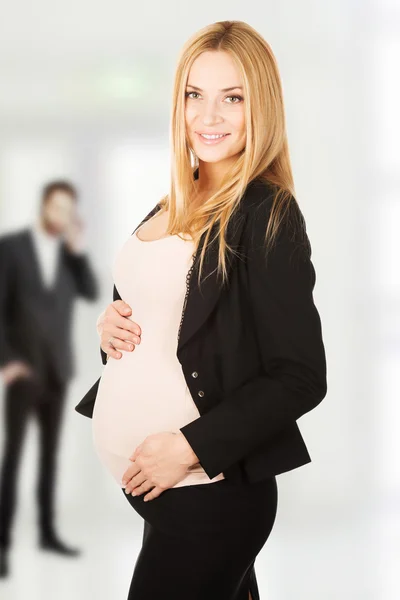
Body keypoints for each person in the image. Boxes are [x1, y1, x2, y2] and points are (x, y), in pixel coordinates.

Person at [74, 20, 327, 600]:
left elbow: (300, 376)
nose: (208, 117)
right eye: (195, 95)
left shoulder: (266, 213)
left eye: (231, 98)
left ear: (259, 106)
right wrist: (111, 328)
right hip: (168, 497)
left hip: (210, 494)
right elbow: (163, 315)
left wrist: (188, 447)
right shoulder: (179, 196)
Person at [0, 180, 98, 578]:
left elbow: (91, 292)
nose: (61, 216)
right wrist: (6, 361)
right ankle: (3, 544)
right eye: (56, 208)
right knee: (14, 457)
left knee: (49, 458)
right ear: (44, 206)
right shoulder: (11, 248)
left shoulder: (67, 255)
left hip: (58, 370)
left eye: (68, 210)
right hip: (23, 371)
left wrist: (77, 251)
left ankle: (46, 533)